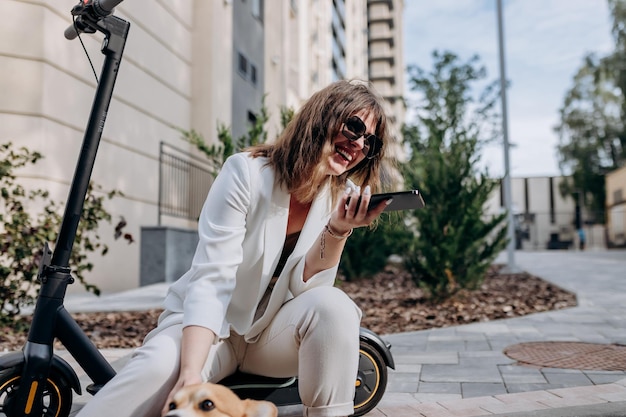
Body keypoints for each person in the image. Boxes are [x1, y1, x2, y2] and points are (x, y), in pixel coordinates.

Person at [76, 79, 395, 417]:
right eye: (354, 126)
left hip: (271, 340)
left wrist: (338, 230)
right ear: (321, 117)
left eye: (369, 140)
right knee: (155, 371)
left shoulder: (340, 196)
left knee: (335, 307)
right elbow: (213, 278)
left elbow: (309, 291)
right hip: (209, 330)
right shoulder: (247, 173)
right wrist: (190, 374)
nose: (358, 143)